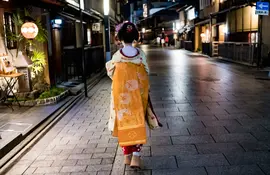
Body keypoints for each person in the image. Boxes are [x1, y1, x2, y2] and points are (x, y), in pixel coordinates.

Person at [106, 22, 162, 169]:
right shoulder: (140, 55)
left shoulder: (117, 56)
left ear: (120, 38)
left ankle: (127, 156)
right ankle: (136, 157)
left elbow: (111, 72)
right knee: (137, 121)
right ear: (135, 37)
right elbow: (146, 72)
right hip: (138, 94)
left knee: (124, 121)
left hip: (122, 95)